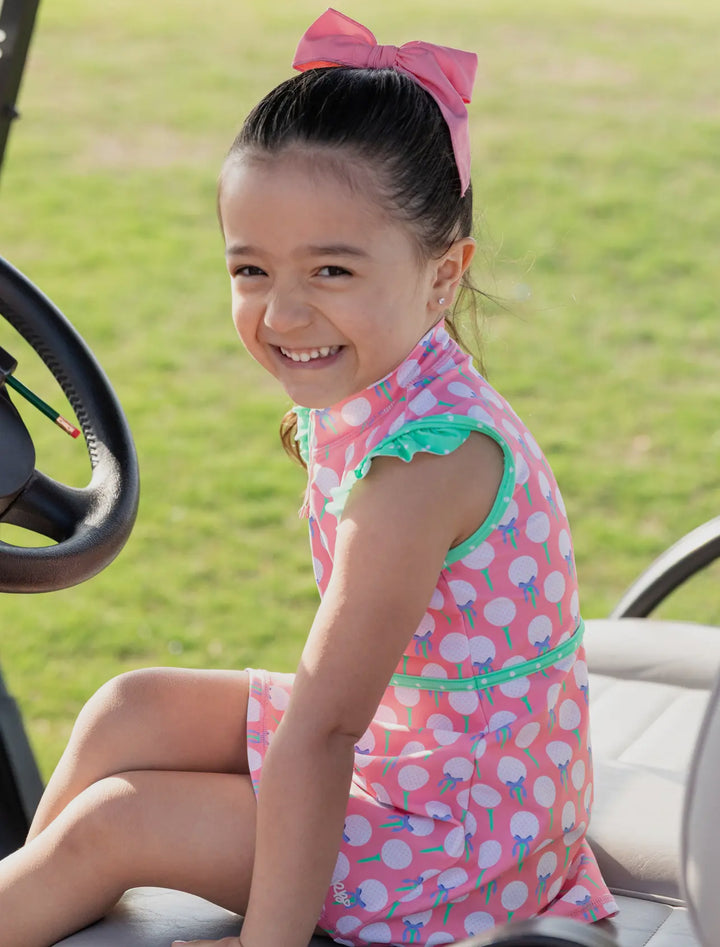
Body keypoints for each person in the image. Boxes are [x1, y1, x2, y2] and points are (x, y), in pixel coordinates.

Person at [0, 9, 618, 947]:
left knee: (119, 823)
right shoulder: (388, 381)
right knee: (131, 708)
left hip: (465, 846)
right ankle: (46, 909)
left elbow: (326, 730)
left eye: (332, 268)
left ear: (444, 275)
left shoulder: (427, 464)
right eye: (250, 268)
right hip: (424, 752)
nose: (284, 312)